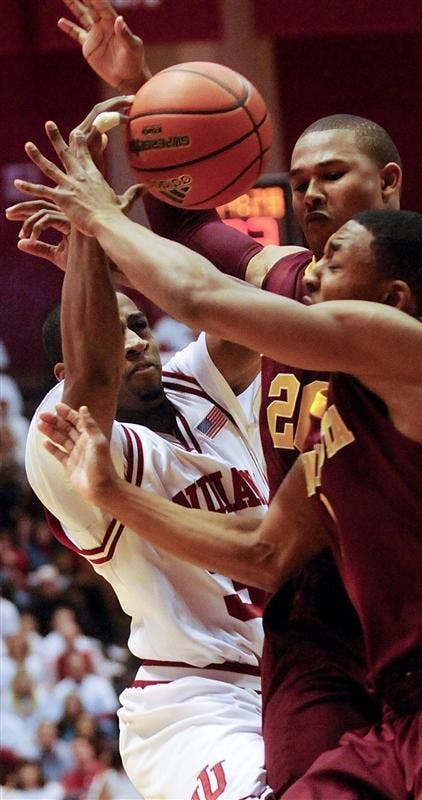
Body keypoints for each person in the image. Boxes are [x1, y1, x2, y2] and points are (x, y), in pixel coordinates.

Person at [38, 208, 422, 798]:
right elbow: (265, 551)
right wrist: (110, 491)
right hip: (214, 690)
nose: (310, 276)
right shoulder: (326, 426)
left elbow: (212, 295)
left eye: (331, 264)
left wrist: (98, 222)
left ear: (392, 297)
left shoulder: (409, 351)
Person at [12, 102, 272, 800]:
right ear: (61, 372)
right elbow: (94, 371)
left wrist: (131, 214)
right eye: (115, 329)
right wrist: (89, 224)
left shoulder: (199, 380)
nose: (133, 341)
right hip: (197, 701)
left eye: (139, 325)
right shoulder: (64, 436)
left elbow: (238, 299)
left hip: (307, 668)